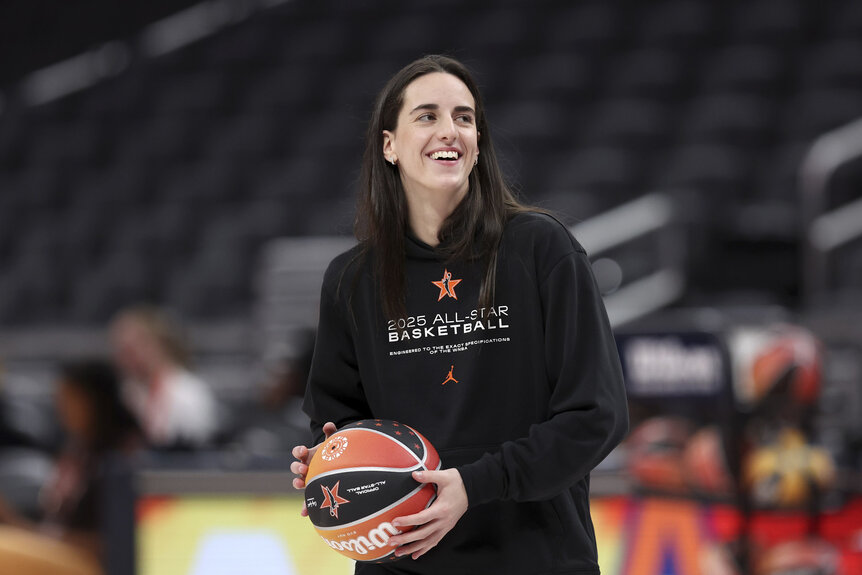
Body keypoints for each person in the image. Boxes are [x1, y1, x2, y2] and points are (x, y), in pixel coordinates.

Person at [292, 55, 629, 575]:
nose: (450, 131)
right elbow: (337, 422)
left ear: (477, 145)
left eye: (464, 118)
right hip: (402, 565)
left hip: (535, 560)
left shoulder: (542, 249)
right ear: (389, 146)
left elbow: (597, 416)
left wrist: (475, 485)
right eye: (427, 116)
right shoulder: (351, 280)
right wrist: (330, 461)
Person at [0, 359, 142, 575]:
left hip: (86, 563)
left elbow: (110, 544)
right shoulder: (76, 449)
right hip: (53, 549)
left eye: (69, 398)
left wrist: (24, 529)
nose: (60, 407)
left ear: (94, 401)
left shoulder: (119, 462)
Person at [110, 306, 219, 449]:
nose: (126, 358)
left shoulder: (189, 392)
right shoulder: (126, 393)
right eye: (122, 350)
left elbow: (201, 446)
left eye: (133, 348)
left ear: (159, 343)